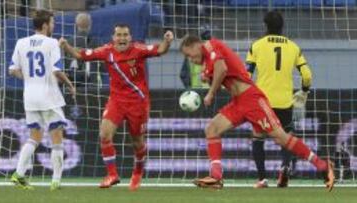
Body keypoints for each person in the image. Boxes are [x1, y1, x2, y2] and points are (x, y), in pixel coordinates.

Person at [179, 35, 334, 191]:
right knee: (212, 129)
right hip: (238, 103)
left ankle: (322, 166)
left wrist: (211, 92)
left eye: (188, 54)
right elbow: (222, 78)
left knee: (281, 137)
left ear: (195, 45)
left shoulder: (211, 46)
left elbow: (223, 69)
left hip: (252, 100)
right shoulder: (207, 62)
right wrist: (209, 79)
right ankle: (216, 177)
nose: (190, 59)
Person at [59, 25, 173, 190]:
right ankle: (112, 174)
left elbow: (161, 50)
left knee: (138, 143)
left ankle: (138, 173)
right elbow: (81, 54)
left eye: (125, 35)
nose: (122, 38)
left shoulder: (139, 49)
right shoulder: (106, 51)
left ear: (130, 37)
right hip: (116, 101)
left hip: (138, 103)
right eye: (119, 35)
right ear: (113, 37)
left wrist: (167, 41)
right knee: (104, 134)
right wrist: (66, 46)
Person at [8, 10, 76, 191]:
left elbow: (12, 70)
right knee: (57, 137)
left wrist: (29, 79)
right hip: (49, 97)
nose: (53, 26)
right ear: (45, 25)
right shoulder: (52, 43)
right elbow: (56, 71)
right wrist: (69, 84)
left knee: (34, 137)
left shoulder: (21, 42)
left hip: (30, 97)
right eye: (52, 23)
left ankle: (19, 174)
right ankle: (56, 181)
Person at [246, 10, 312, 188]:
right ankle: (285, 167)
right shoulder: (293, 47)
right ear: (282, 26)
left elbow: (246, 75)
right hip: (284, 101)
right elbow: (307, 74)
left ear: (265, 26)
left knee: (258, 137)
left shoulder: (256, 46)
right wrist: (304, 91)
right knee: (286, 137)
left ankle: (262, 179)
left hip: (262, 102)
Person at [65, 12, 101, 87]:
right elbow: (103, 67)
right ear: (90, 25)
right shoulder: (97, 43)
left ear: (76, 25)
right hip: (92, 86)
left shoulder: (67, 43)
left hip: (72, 85)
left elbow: (65, 65)